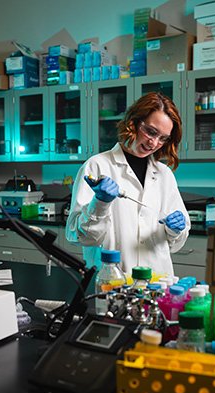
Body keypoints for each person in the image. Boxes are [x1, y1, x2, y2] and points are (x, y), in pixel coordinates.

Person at [65, 92, 190, 277]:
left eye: (163, 138)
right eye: (151, 131)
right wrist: (99, 203)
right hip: (113, 281)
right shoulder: (97, 165)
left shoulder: (164, 175)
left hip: (157, 282)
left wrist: (176, 230)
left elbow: (175, 244)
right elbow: (77, 236)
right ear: (133, 122)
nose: (154, 143)